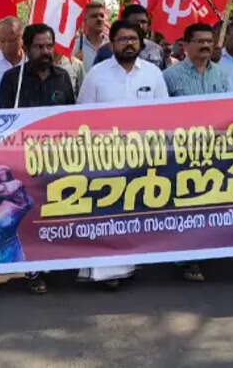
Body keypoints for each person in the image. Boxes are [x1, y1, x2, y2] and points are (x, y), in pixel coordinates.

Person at [77, 20, 169, 288]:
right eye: (122, 39)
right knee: (106, 212)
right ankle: (105, 272)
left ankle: (128, 265)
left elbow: (165, 115)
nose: (129, 43)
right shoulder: (97, 74)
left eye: (133, 39)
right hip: (105, 157)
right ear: (112, 43)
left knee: (133, 212)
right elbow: (82, 115)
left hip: (143, 157)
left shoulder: (153, 74)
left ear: (141, 43)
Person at [0, 24, 75, 294]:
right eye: (39, 46)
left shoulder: (63, 77)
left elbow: (72, 118)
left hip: (56, 160)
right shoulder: (12, 79)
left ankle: (56, 262)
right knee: (28, 215)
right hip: (22, 161)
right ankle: (33, 271)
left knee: (54, 212)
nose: (45, 51)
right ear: (27, 48)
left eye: (49, 46)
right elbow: (2, 121)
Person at [162, 23, 229, 283]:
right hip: (182, 152)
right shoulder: (170, 77)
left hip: (213, 151)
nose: (205, 46)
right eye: (199, 41)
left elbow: (231, 110)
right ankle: (186, 259)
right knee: (185, 204)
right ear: (185, 46)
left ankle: (203, 252)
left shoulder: (221, 76)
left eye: (208, 41)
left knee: (208, 202)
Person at [93, 4, 168, 70]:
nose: (140, 26)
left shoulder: (156, 50)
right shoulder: (106, 50)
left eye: (143, 22)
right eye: (135, 22)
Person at [0, 17, 25, 98]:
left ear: (22, 38)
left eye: (12, 40)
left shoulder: (31, 62)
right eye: (2, 41)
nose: (7, 45)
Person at [72, 0, 109, 71]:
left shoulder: (112, 46)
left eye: (102, 16)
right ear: (85, 20)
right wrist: (73, 64)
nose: (99, 19)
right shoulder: (75, 46)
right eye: (94, 16)